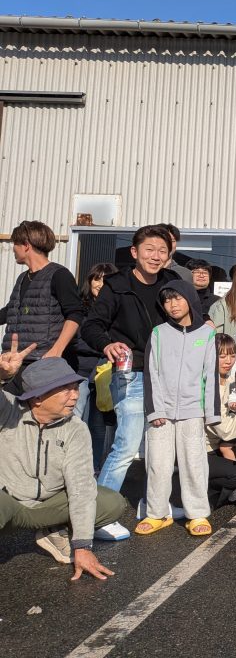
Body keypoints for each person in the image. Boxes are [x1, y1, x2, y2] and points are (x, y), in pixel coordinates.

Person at [81, 224, 180, 539]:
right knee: (126, 444)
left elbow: (189, 317)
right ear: (135, 252)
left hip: (167, 373)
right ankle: (97, 516)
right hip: (131, 371)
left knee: (160, 446)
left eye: (162, 251)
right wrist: (107, 344)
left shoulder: (171, 283)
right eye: (149, 249)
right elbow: (92, 326)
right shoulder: (117, 285)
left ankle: (155, 505)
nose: (156, 256)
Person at [0, 345, 123, 579]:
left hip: (46, 507)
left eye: (75, 387)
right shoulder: (8, 412)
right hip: (9, 506)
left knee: (111, 503)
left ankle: (53, 530)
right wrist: (2, 376)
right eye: (65, 389)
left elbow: (81, 487)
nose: (75, 395)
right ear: (37, 398)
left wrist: (83, 546)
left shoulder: (76, 428)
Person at [135, 281, 219, 538]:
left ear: (190, 299)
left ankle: (197, 514)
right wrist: (154, 410)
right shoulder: (159, 333)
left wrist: (211, 413)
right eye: (167, 300)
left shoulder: (207, 334)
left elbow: (210, 375)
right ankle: (156, 513)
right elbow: (151, 373)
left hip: (193, 411)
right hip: (161, 411)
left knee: (194, 463)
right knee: (157, 464)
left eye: (178, 298)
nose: (172, 305)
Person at [0, 221, 87, 391]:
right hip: (15, 362)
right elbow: (11, 311)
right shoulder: (22, 278)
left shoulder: (59, 275)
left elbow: (75, 313)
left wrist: (56, 351)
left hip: (44, 362)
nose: (13, 249)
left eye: (15, 244)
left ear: (26, 245)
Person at [74, 262, 118, 470]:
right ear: (89, 281)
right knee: (75, 420)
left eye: (106, 280)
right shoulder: (78, 307)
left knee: (99, 424)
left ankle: (95, 469)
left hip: (105, 373)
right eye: (96, 278)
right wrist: (103, 346)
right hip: (79, 371)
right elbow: (75, 340)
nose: (100, 284)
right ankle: (72, 467)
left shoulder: (117, 308)